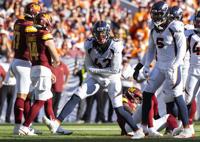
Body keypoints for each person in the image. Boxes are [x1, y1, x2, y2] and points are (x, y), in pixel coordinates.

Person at [42, 20, 145, 139]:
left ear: (108, 33)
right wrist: (98, 76)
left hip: (113, 78)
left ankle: (138, 131)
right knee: (77, 94)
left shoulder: (115, 45)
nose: (101, 37)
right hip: (96, 77)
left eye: (103, 34)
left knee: (118, 108)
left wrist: (96, 72)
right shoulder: (89, 44)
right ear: (94, 34)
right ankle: (56, 123)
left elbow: (115, 70)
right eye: (98, 34)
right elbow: (88, 66)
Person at [141, 1, 192, 138]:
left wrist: (176, 64)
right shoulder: (153, 26)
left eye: (158, 14)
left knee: (178, 95)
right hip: (159, 65)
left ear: (165, 14)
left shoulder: (174, 26)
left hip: (172, 65)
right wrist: (146, 64)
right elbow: (151, 48)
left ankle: (187, 128)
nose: (156, 17)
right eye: (154, 14)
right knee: (147, 93)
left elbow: (182, 48)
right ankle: (144, 127)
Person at [18, 12, 71, 136]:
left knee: (48, 100)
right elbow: (55, 56)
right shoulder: (45, 34)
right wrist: (56, 62)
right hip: (42, 69)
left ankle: (55, 126)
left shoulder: (30, 33)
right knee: (40, 101)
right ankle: (25, 127)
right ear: (45, 22)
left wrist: (49, 70)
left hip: (35, 68)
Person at [10, 2, 41, 134]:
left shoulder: (18, 22)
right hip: (23, 62)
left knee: (27, 96)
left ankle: (27, 126)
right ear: (34, 13)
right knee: (22, 96)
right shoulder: (30, 27)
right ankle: (18, 127)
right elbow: (33, 47)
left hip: (17, 60)